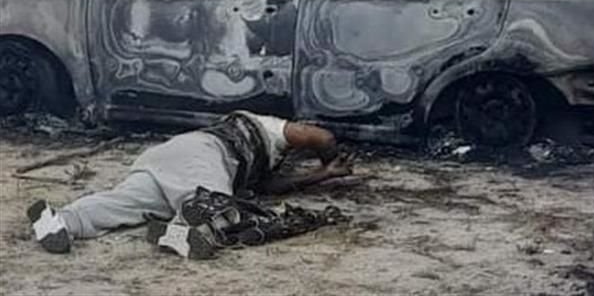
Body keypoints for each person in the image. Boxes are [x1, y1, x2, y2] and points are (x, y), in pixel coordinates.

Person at [27, 110, 353, 259]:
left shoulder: (261, 161)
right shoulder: (270, 127)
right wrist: (330, 158)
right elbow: (321, 137)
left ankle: (62, 221)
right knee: (216, 208)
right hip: (204, 154)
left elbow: (272, 187)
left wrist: (324, 175)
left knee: (124, 202)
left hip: (165, 157)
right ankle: (181, 231)